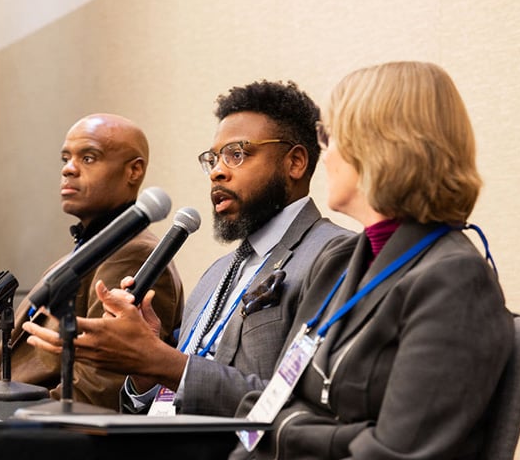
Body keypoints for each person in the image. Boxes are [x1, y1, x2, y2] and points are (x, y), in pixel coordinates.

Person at [221, 61, 516, 460]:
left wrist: (297, 433)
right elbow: (269, 404)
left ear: (382, 145)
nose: (327, 155)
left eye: (333, 137)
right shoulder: (339, 261)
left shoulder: (453, 282)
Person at [24, 80, 353, 417]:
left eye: (237, 154)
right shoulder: (218, 273)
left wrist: (162, 361)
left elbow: (299, 403)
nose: (217, 172)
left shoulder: (334, 255)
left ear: (295, 162)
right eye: (213, 159)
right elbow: (170, 394)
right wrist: (144, 369)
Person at [0, 113, 184, 411]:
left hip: (55, 437)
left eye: (88, 158)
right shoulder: (84, 252)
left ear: (134, 171)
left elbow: (100, 387)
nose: (68, 170)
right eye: (65, 158)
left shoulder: (133, 253)